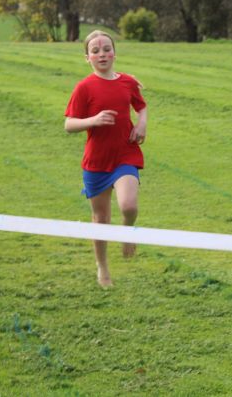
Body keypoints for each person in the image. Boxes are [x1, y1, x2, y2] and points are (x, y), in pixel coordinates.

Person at [64, 30, 148, 287]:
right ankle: (103, 268)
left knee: (129, 206)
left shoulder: (127, 82)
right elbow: (69, 124)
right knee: (100, 220)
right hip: (97, 161)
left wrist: (142, 124)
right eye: (95, 50)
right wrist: (94, 120)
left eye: (106, 48)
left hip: (125, 153)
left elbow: (141, 106)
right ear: (87, 57)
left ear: (115, 52)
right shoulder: (84, 87)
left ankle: (127, 232)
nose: (102, 54)